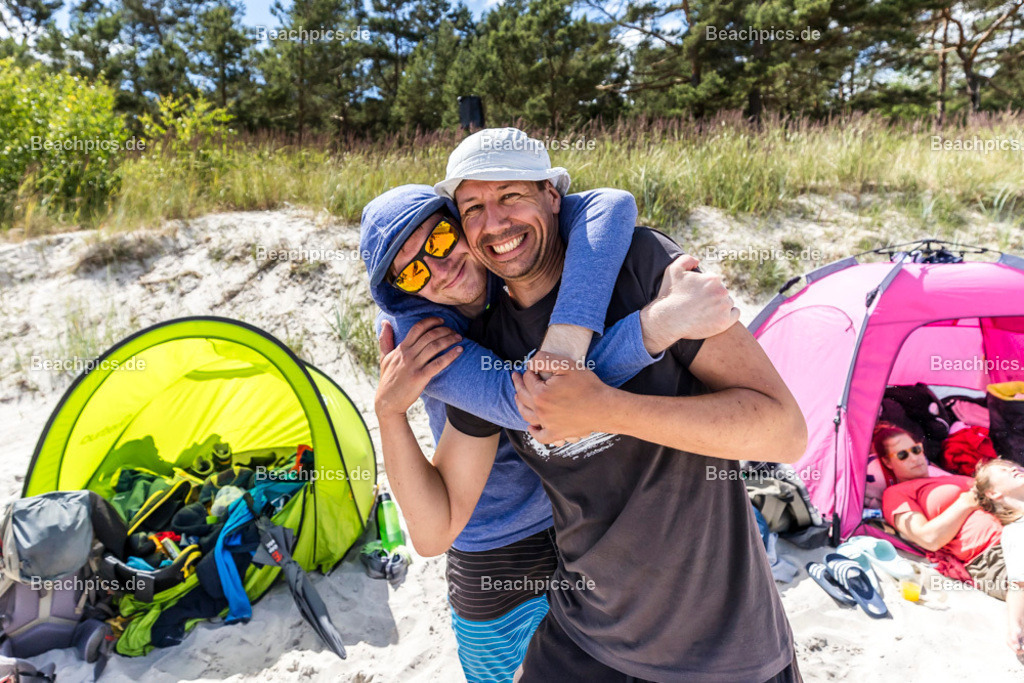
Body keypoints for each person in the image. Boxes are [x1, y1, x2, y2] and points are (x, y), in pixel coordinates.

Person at [378, 127, 807, 682]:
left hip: (723, 646)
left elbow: (785, 432)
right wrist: (389, 412)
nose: (496, 223)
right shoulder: (486, 343)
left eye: (511, 195)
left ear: (553, 197)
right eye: (473, 208)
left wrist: (607, 406)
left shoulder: (643, 268)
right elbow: (437, 530)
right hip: (584, 637)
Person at [875, 421, 1007, 599]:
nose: (914, 458)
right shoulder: (896, 494)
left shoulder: (946, 478)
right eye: (902, 455)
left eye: (916, 450)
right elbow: (928, 539)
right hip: (991, 554)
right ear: (887, 462)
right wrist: (966, 502)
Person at [974, 459, 1024, 655]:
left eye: (1016, 467)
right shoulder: (1015, 532)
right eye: (1003, 470)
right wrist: (1015, 624)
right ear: (993, 493)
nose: (1014, 468)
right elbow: (1018, 582)